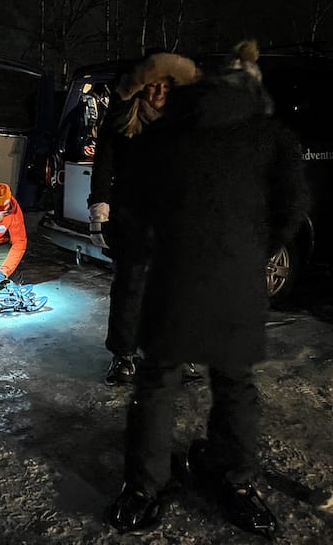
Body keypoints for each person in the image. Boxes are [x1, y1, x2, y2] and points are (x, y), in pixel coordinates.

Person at [108, 41, 309, 537]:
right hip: (237, 282)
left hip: (172, 278)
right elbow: (292, 209)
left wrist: (161, 244)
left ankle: (144, 490)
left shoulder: (165, 134)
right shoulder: (271, 135)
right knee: (234, 383)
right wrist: (251, 249)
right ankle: (236, 481)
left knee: (157, 382)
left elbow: (131, 202)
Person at [88, 51, 200, 385]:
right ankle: (123, 355)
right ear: (140, 87)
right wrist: (100, 211)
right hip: (132, 217)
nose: (158, 93)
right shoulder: (122, 119)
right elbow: (103, 166)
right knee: (131, 287)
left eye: (165, 87)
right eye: (152, 86)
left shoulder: (186, 123)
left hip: (174, 220)